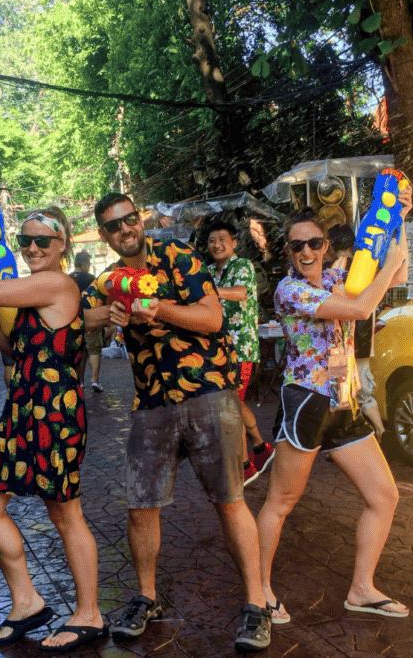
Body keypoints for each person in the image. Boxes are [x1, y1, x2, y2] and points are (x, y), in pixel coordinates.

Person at [83, 192, 272, 652]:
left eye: (129, 219)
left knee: (229, 500)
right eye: (113, 226)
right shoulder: (110, 280)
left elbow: (212, 318)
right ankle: (147, 598)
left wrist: (157, 309)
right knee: (140, 505)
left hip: (208, 393)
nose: (125, 229)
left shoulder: (177, 256)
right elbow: (74, 317)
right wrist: (106, 314)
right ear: (106, 235)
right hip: (152, 402)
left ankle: (256, 605)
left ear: (139, 220)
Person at [256, 202, 411, 627]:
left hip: (344, 400)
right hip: (307, 401)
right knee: (282, 501)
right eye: (296, 246)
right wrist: (388, 265)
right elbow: (361, 310)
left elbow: (397, 277)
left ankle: (362, 588)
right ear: (287, 252)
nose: (306, 252)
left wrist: (396, 218)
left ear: (325, 246)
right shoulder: (290, 291)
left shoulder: (337, 278)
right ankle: (260, 592)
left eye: (314, 243)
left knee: (384, 497)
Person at [0, 204, 105, 652]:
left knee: (65, 513)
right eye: (25, 241)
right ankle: (27, 602)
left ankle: (90, 615)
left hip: (54, 411)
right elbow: (8, 345)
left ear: (62, 245)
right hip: (22, 408)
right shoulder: (29, 293)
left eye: (44, 240)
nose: (33, 248)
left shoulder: (57, 283)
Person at [206, 220, 275, 485]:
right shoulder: (209, 270)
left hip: (241, 348)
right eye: (212, 240)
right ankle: (260, 447)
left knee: (231, 405)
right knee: (232, 402)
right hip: (216, 350)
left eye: (222, 239)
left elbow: (241, 293)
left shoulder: (242, 265)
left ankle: (245, 465)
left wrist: (209, 292)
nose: (217, 244)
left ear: (234, 242)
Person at [325, 224, 393, 438]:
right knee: (365, 393)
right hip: (363, 343)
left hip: (338, 344)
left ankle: (344, 437)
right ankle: (380, 433)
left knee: (340, 392)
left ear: (331, 245)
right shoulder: (367, 269)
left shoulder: (329, 268)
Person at [69, 252, 104, 392]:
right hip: (91, 316)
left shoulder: (68, 278)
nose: (89, 267)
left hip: (73, 318)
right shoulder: (90, 278)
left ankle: (80, 381)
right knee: (94, 349)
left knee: (80, 350)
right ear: (84, 264)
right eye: (88, 264)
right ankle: (95, 380)